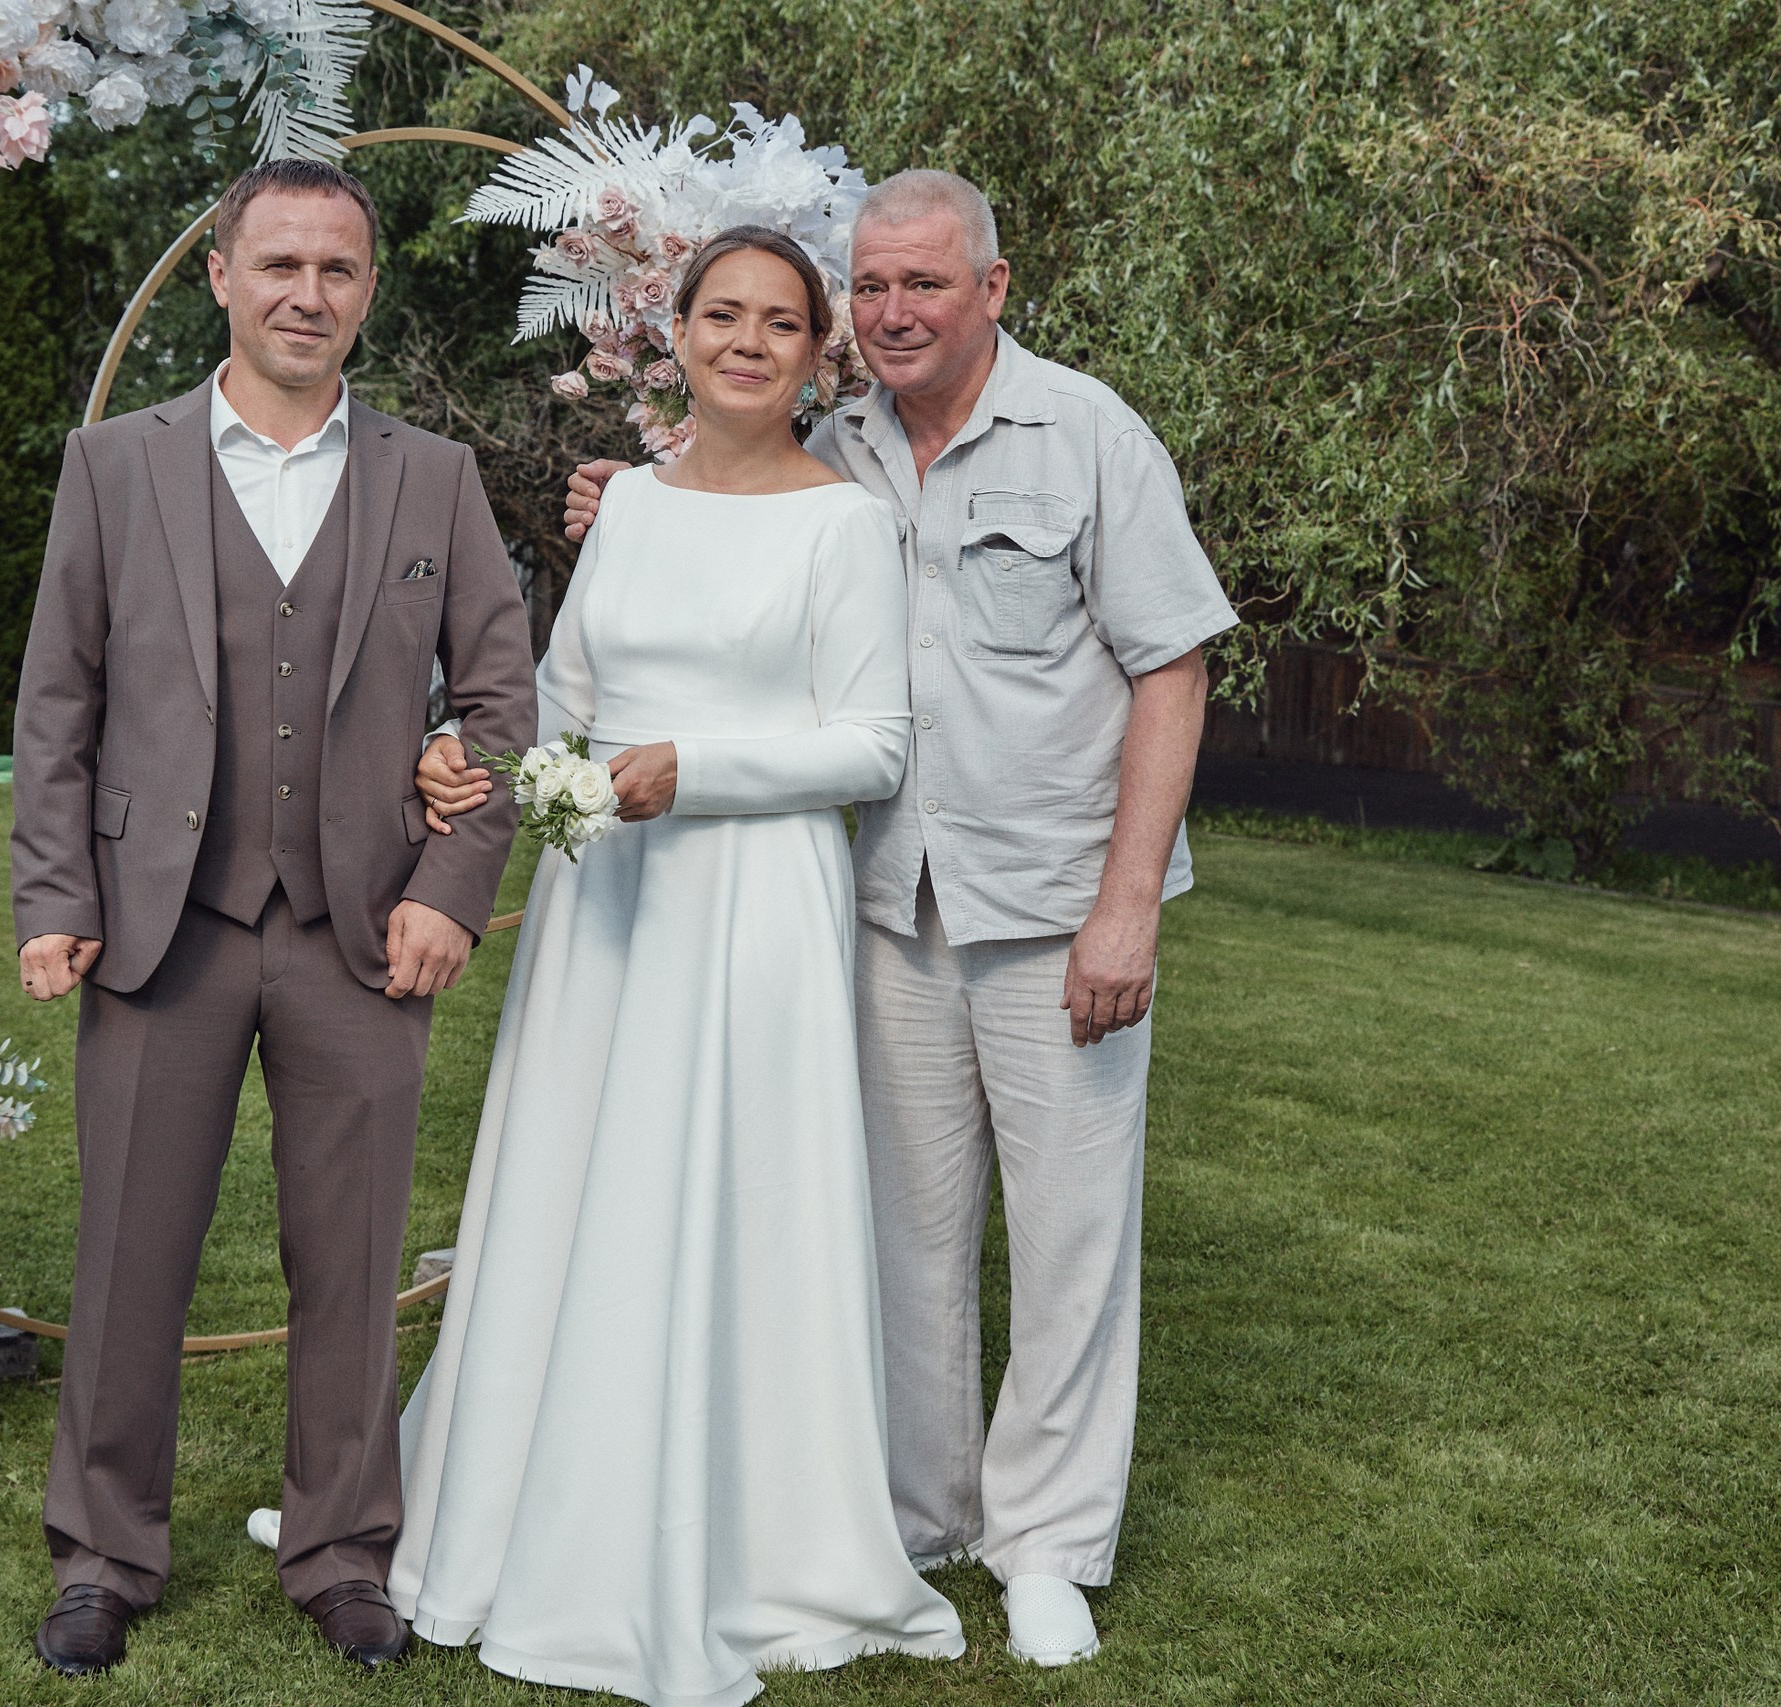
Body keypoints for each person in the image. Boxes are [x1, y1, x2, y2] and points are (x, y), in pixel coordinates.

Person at [424, 170, 1238, 1666]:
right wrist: (630, 504)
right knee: (903, 1238)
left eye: (924, 283)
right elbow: (722, 520)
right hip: (879, 898)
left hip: (1054, 895)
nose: (894, 310)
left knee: (1067, 1238)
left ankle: (1046, 1543)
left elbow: (1173, 665)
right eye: (871, 286)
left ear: (995, 288)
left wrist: (1129, 906)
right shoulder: (845, 440)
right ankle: (914, 1513)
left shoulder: (1088, 435)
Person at [366, 226, 964, 1706]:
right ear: (678, 333)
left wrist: (693, 770)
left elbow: (872, 744)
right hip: (605, 909)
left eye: (779, 322)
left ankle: (747, 1531)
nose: (748, 342)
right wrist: (476, 757)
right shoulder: (620, 508)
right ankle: (507, 1495)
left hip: (750, 908)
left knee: (722, 1194)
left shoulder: (842, 527)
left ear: (816, 353)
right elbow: (559, 700)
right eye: (721, 315)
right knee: (577, 1182)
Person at [9, 157, 535, 1677]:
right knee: (128, 1252)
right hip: (157, 922)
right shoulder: (114, 465)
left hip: (361, 930)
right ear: (223, 277)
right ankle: (104, 1553)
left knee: (353, 1254)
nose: (309, 294)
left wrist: (453, 890)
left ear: (370, 291)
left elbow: (500, 699)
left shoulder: (433, 477)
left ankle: (343, 1549)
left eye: (341, 271)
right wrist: (57, 894)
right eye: (281, 265)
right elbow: (60, 704)